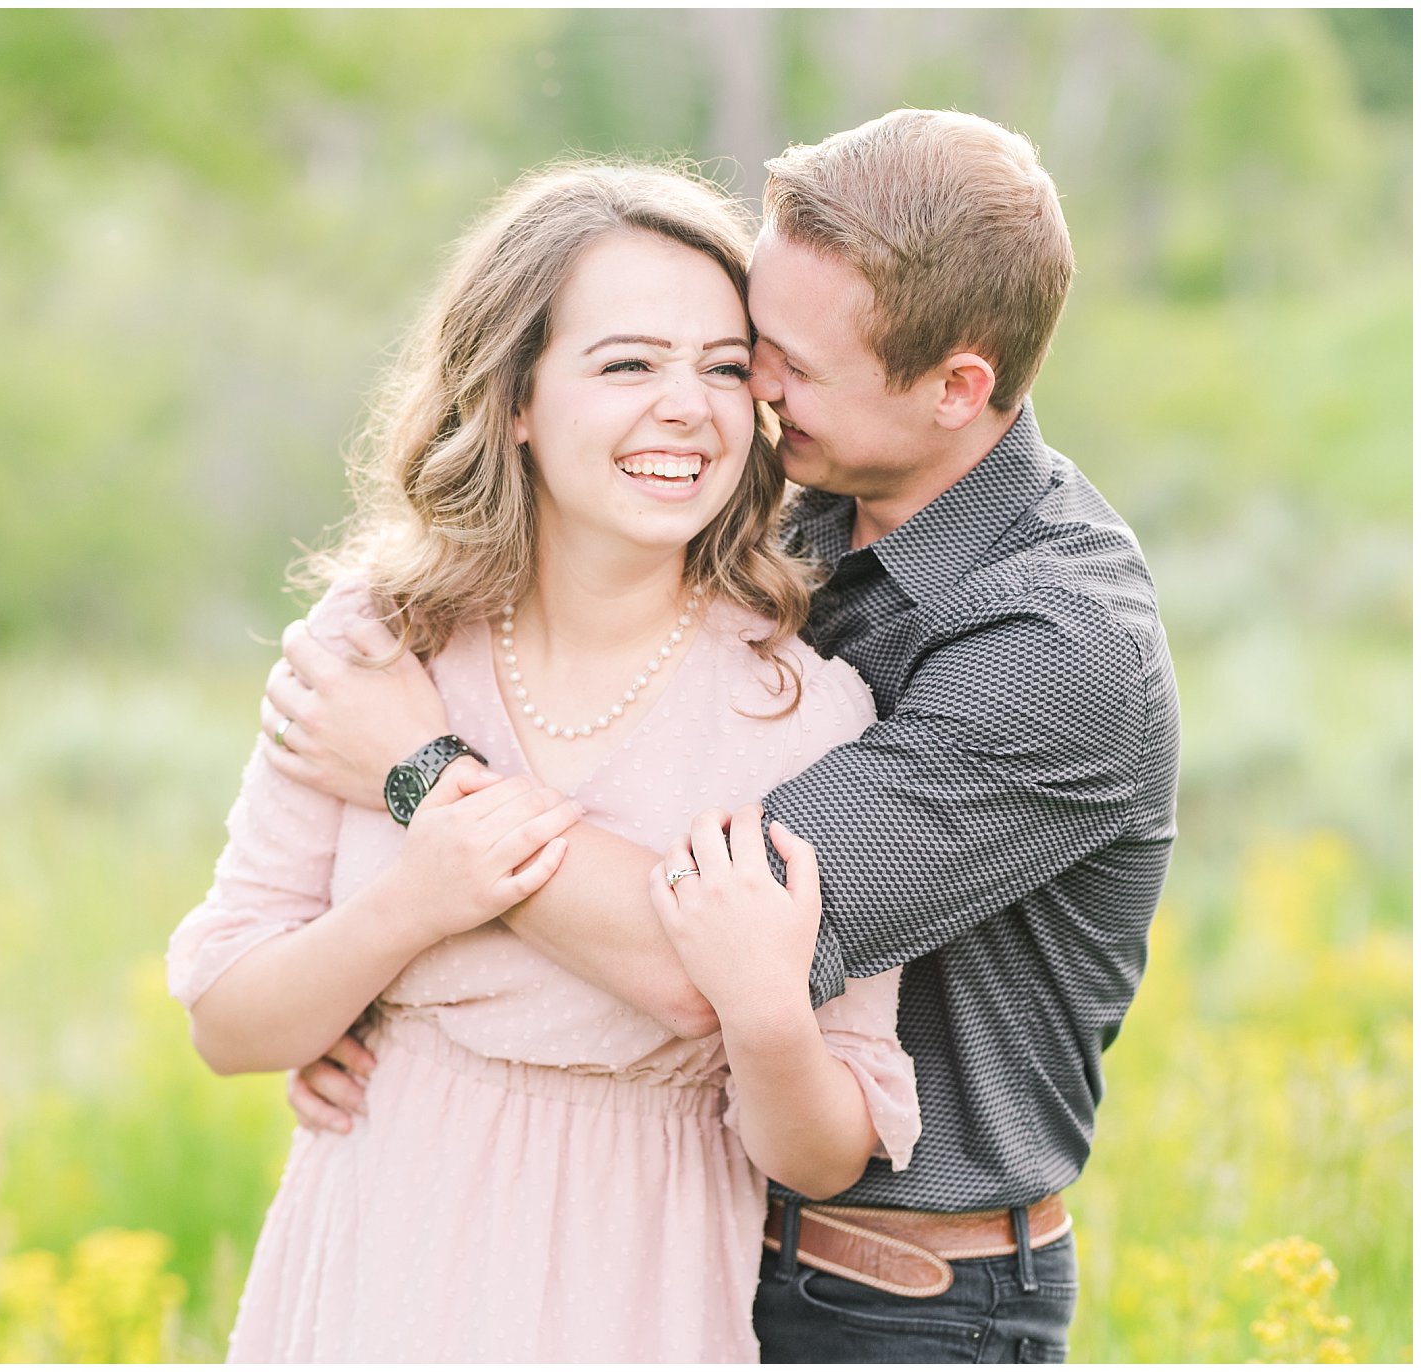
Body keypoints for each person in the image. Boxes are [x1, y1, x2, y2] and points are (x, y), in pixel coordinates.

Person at [266, 109, 1179, 1363]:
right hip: (657, 1238)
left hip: (886, 1303)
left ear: (956, 386)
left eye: (785, 363)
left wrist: (416, 774)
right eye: (754, 339)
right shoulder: (799, 515)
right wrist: (374, 1001)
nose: (750, 389)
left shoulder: (1054, 648)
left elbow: (699, 952)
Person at [167, 162, 921, 1362]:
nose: (689, 407)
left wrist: (760, 1008)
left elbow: (823, 1147)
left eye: (724, 368)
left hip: (637, 1282)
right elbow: (226, 1019)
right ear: (514, 395)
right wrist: (412, 905)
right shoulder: (375, 644)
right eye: (626, 363)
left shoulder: (804, 712)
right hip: (372, 1256)